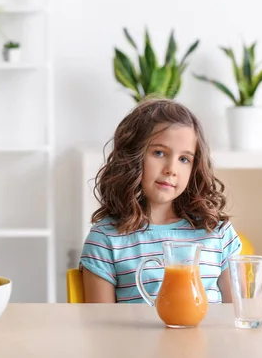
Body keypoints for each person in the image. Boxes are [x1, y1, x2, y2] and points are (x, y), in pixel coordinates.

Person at [79, 97, 242, 303]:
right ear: (132, 156)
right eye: (159, 153)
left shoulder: (218, 233)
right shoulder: (105, 240)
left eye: (184, 159)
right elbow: (101, 328)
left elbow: (238, 317)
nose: (171, 169)